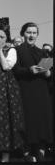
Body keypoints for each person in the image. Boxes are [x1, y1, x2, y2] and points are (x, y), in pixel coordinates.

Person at [13, 22, 53, 162]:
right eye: (28, 32)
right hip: (26, 89)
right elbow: (15, 70)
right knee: (28, 119)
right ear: (23, 34)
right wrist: (28, 70)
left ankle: (41, 150)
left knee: (42, 119)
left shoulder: (42, 52)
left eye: (34, 33)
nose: (31, 35)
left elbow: (49, 75)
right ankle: (28, 151)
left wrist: (48, 73)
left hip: (41, 91)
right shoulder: (17, 50)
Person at [0, 17, 25, 162]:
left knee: (6, 119)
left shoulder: (11, 50)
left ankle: (6, 157)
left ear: (6, 38)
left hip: (7, 89)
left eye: (1, 36)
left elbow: (6, 66)